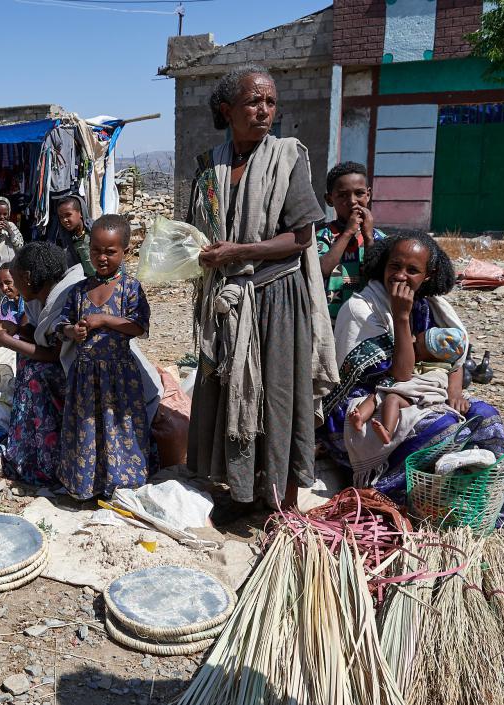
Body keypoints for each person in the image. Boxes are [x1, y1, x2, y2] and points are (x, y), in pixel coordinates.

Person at [186, 65, 338, 519]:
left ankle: (283, 503)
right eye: (254, 102)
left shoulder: (288, 157)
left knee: (276, 396)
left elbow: (301, 238)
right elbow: (202, 232)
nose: (265, 110)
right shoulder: (209, 166)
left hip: (276, 298)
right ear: (226, 110)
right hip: (229, 300)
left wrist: (239, 252)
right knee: (229, 390)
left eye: (270, 102)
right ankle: (239, 492)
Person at [321, 232, 504, 527]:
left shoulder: (431, 306)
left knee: (484, 415)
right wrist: (401, 318)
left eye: (412, 270)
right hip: (363, 403)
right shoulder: (363, 309)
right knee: (442, 427)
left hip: (421, 391)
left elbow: (455, 353)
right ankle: (399, 498)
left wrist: (455, 391)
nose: (401, 276)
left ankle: (488, 508)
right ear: (384, 265)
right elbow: (399, 375)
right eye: (395, 266)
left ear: (428, 276)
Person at [54, 214, 154, 499]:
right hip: (85, 376)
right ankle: (88, 486)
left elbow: (139, 327)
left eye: (110, 251)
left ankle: (122, 485)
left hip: (120, 377)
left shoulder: (130, 288)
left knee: (120, 428)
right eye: (96, 250)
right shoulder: (79, 290)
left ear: (125, 250)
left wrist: (102, 320)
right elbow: (60, 327)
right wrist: (74, 331)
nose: (102, 257)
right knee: (87, 428)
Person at [0, 243, 68, 485]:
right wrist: (16, 329)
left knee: (34, 372)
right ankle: (27, 445)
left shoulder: (59, 302)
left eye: (15, 280)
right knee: (27, 361)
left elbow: (54, 354)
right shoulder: (36, 300)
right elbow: (36, 333)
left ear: (28, 278)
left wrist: (8, 341)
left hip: (69, 373)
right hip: (55, 366)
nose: (13, 287)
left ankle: (44, 458)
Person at [348, 326, 467, 444]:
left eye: (415, 346)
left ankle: (387, 431)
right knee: (374, 397)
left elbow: (421, 387)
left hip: (415, 400)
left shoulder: (437, 373)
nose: (412, 343)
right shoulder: (424, 361)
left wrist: (399, 387)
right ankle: (359, 418)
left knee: (392, 399)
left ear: (430, 357)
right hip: (403, 392)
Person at [317, 161, 387, 322]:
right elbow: (321, 270)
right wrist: (348, 232)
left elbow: (377, 275)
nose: (352, 201)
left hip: (367, 320)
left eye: (359, 193)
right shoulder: (323, 235)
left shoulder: (379, 238)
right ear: (329, 199)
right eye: (342, 195)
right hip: (329, 320)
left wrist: (368, 236)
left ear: (368, 195)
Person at [55, 195, 96, 277]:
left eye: (68, 215)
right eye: (61, 217)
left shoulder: (96, 232)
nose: (64, 220)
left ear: (80, 213)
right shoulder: (67, 240)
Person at [0, 262, 25, 328]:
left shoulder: (30, 305)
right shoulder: (5, 304)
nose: (4, 288)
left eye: (8, 283)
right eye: (1, 284)